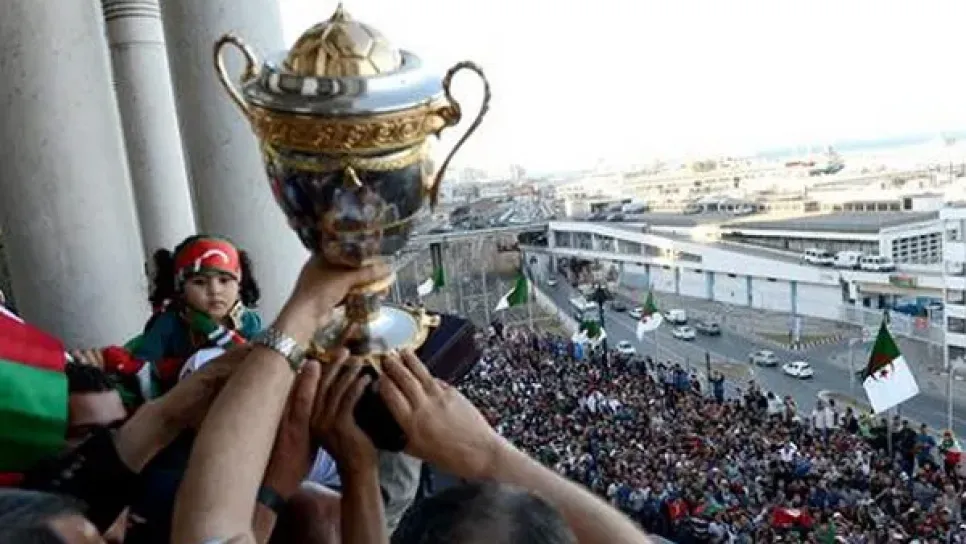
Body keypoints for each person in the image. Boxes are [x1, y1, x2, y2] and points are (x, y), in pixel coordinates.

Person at [102, 235, 262, 402]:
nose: (215, 290)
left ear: (239, 284)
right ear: (180, 287)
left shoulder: (249, 322)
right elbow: (143, 370)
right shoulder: (169, 323)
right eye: (200, 282)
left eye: (224, 280)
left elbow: (262, 361)